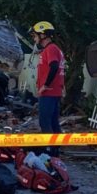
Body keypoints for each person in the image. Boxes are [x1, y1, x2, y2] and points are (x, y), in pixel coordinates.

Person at [29, 21, 65, 155]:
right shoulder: (53, 49)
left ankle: (49, 151)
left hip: (49, 92)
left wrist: (45, 85)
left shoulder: (51, 49)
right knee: (53, 122)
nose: (34, 39)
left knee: (45, 121)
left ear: (43, 35)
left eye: (35, 36)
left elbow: (54, 66)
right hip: (54, 91)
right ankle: (55, 150)